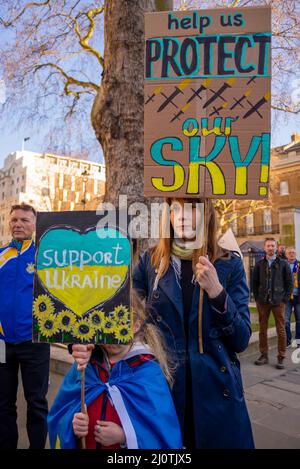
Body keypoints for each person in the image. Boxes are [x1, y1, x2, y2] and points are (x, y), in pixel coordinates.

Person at [134, 198, 254, 449]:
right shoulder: (150, 262)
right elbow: (124, 315)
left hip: (216, 395)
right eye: (175, 208)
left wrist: (218, 293)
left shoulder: (228, 263)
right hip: (164, 389)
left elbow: (241, 339)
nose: (182, 216)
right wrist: (90, 345)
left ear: (206, 212)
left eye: (190, 208)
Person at [47, 290, 182, 449]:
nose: (110, 336)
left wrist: (124, 436)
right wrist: (73, 425)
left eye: (118, 326)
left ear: (135, 325)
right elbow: (60, 415)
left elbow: (163, 435)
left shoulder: (148, 373)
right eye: (105, 326)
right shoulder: (87, 368)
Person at [0, 203, 50, 449]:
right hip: (1, 344)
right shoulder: (0, 256)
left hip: (35, 342)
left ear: (34, 225)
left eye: (24, 220)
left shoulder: (45, 257)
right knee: (3, 403)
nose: (18, 224)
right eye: (14, 220)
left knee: (37, 403)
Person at [253, 238, 293, 369]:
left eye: (272, 245)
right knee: (262, 330)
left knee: (281, 330)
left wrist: (285, 299)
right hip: (262, 302)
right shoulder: (259, 264)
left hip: (278, 302)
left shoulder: (283, 264)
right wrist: (258, 298)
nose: (270, 248)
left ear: (276, 248)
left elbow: (289, 283)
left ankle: (281, 357)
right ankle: (264, 355)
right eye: (268, 246)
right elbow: (254, 283)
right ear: (264, 248)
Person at [285, 247, 300, 348]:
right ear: (286, 254)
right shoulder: (283, 265)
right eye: (289, 252)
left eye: (293, 252)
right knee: (286, 320)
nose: (291, 254)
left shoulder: (299, 265)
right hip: (286, 297)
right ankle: (288, 340)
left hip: (298, 296)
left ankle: (298, 340)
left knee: (299, 320)